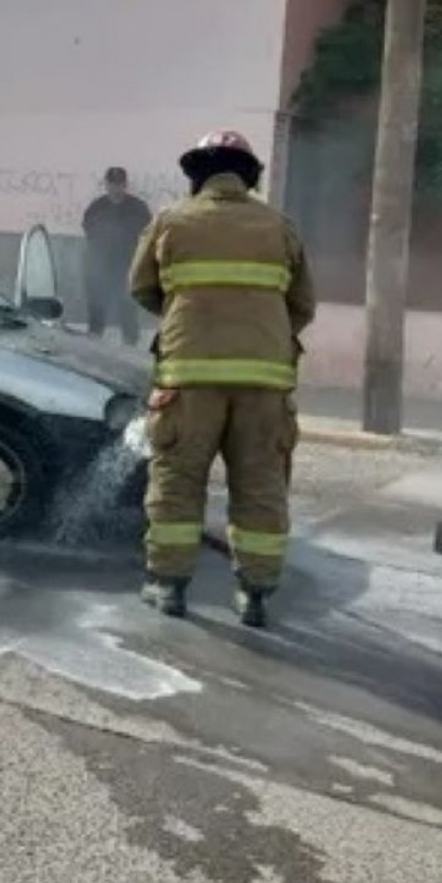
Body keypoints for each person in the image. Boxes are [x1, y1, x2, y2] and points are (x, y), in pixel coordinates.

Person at [129, 130, 315, 627]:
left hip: (187, 381)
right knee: (259, 486)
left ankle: (168, 588)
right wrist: (264, 337)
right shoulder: (281, 227)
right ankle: (254, 595)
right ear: (248, 174)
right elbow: (303, 306)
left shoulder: (171, 222)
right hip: (265, 387)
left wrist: (187, 319)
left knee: (178, 480)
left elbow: (141, 289)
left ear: (198, 175)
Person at [81, 167, 153, 346]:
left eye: (119, 184)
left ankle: (130, 343)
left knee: (127, 307)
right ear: (106, 184)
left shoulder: (138, 207)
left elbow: (148, 233)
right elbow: (88, 231)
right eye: (112, 184)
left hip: (127, 266)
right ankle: (94, 340)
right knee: (97, 305)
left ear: (125, 185)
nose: (115, 188)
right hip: (100, 266)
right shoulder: (97, 207)